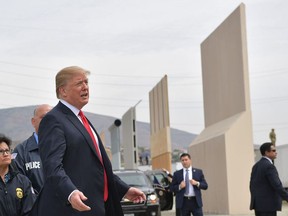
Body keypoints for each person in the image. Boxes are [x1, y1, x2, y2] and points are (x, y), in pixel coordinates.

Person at [30, 66, 145, 216]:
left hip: (98, 207)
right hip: (74, 209)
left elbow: (97, 167)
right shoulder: (53, 119)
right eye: (79, 83)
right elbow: (52, 166)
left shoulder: (82, 120)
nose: (85, 87)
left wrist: (124, 189)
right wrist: (70, 193)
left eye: (86, 82)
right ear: (62, 91)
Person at [13, 104, 52, 194]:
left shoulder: (65, 147)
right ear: (33, 122)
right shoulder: (21, 151)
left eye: (51, 118)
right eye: (43, 117)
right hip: (34, 206)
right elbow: (17, 185)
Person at [0, 134, 36, 216]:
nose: (5, 154)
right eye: (1, 151)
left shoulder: (23, 182)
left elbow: (31, 211)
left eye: (7, 150)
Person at [250, 142, 288, 216]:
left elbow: (252, 185)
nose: (276, 152)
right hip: (268, 206)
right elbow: (277, 185)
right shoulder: (269, 166)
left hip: (258, 205)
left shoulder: (255, 166)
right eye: (273, 151)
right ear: (267, 152)